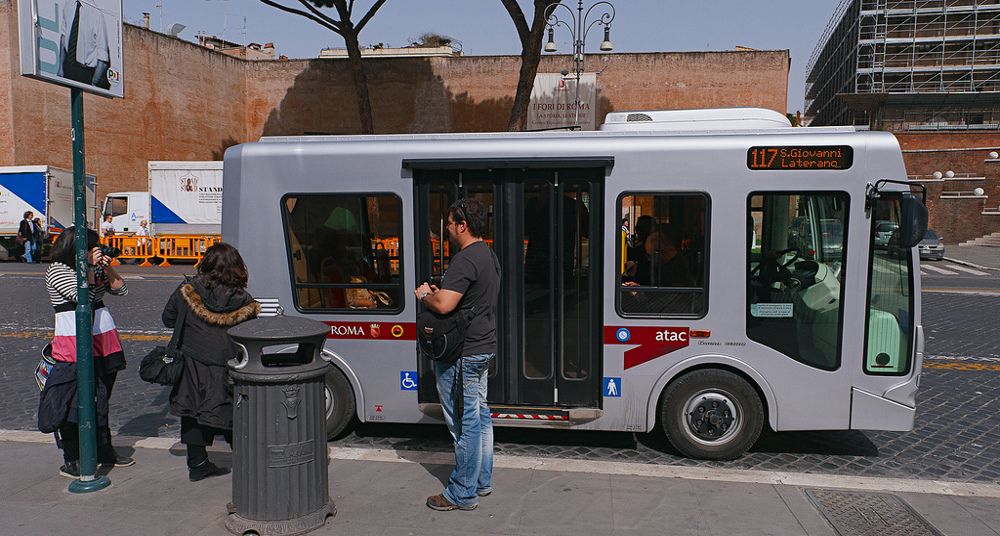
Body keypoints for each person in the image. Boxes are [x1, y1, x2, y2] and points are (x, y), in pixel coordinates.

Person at [414, 198, 500, 512]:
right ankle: (482, 481)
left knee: (465, 424)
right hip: (483, 347)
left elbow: (445, 305)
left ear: (462, 225)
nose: (447, 228)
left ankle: (462, 492)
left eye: (450, 223)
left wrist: (426, 295)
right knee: (480, 416)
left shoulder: (465, 259)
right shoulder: (488, 255)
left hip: (463, 353)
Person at [38, 226, 134, 478]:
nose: (97, 251)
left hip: (103, 336)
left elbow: (122, 290)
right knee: (73, 401)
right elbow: (85, 295)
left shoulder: (93, 266)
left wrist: (107, 266)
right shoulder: (57, 270)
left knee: (101, 398)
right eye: (93, 247)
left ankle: (104, 449)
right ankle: (72, 457)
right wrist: (90, 268)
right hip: (74, 340)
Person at [162, 242, 259, 482]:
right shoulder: (244, 300)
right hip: (226, 365)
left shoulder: (188, 290)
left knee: (192, 411)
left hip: (192, 361)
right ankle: (247, 466)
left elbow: (168, 318)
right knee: (231, 414)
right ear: (238, 268)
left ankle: (198, 464)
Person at [58, 0, 111, 89]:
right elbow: (63, 37)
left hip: (85, 73)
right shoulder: (68, 4)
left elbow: (103, 58)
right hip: (68, 67)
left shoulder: (96, 14)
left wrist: (93, 83)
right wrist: (60, 68)